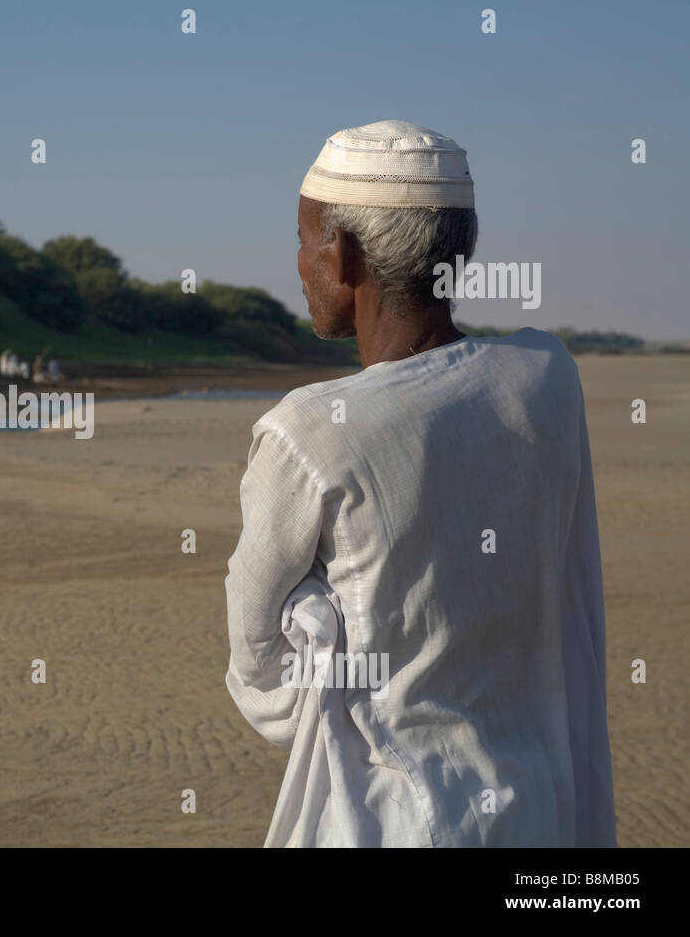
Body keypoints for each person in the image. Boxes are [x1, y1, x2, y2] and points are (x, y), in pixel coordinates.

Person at [224, 121, 615, 846]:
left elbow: (264, 681)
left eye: (304, 240)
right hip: (541, 811)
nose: (300, 263)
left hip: (396, 819)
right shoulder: (548, 376)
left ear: (342, 256)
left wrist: (320, 621)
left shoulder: (308, 432)